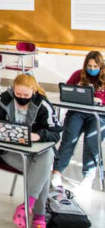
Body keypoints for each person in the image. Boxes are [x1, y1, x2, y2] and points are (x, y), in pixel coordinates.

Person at [0, 74, 61, 228]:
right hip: (6, 151)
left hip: (36, 152)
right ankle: (39, 215)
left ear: (34, 91)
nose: (22, 98)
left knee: (47, 154)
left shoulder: (43, 105)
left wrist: (39, 135)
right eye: (18, 95)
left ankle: (26, 206)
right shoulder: (3, 100)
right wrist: (0, 129)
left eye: (26, 95)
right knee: (40, 173)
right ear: (13, 90)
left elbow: (56, 132)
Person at [51, 50, 105, 192]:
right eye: (89, 66)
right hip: (78, 112)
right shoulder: (78, 74)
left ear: (101, 66)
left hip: (98, 115)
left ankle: (88, 177)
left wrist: (99, 100)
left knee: (91, 142)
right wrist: (78, 91)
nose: (92, 69)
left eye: (95, 66)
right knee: (69, 139)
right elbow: (66, 91)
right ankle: (56, 172)